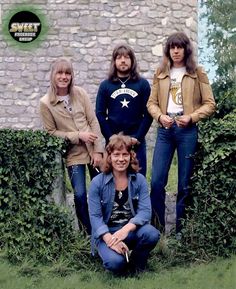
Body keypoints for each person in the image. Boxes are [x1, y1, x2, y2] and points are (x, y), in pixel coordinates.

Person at [147, 32, 216, 234]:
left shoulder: (198, 72)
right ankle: (156, 232)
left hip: (187, 131)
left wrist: (192, 117)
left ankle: (181, 234)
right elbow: (151, 103)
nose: (176, 51)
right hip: (165, 130)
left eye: (179, 47)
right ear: (168, 50)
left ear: (186, 49)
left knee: (185, 184)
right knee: (157, 181)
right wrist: (160, 116)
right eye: (172, 47)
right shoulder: (160, 71)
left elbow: (210, 104)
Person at [39, 57, 104, 235]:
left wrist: (98, 150)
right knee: (80, 195)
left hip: (93, 152)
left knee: (104, 193)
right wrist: (77, 136)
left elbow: (93, 121)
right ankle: (88, 235)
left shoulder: (80, 93)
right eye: (60, 72)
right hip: (74, 155)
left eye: (67, 73)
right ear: (53, 75)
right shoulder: (45, 103)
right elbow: (50, 132)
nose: (64, 76)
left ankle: (107, 232)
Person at [88, 134, 160, 275]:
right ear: (109, 157)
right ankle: (116, 258)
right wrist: (111, 240)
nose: (121, 159)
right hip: (106, 233)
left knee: (151, 234)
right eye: (116, 155)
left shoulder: (139, 180)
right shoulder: (97, 183)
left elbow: (145, 212)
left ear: (130, 156)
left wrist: (125, 230)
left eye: (125, 154)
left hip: (130, 230)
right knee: (115, 264)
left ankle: (136, 265)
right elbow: (95, 217)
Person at [95, 43, 153, 176]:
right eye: (119, 57)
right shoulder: (105, 85)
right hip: (113, 141)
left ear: (132, 61)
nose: (123, 60)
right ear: (114, 61)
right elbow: (100, 114)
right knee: (112, 179)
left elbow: (149, 113)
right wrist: (110, 137)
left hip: (136, 142)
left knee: (138, 178)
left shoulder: (142, 84)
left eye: (127, 57)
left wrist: (138, 137)